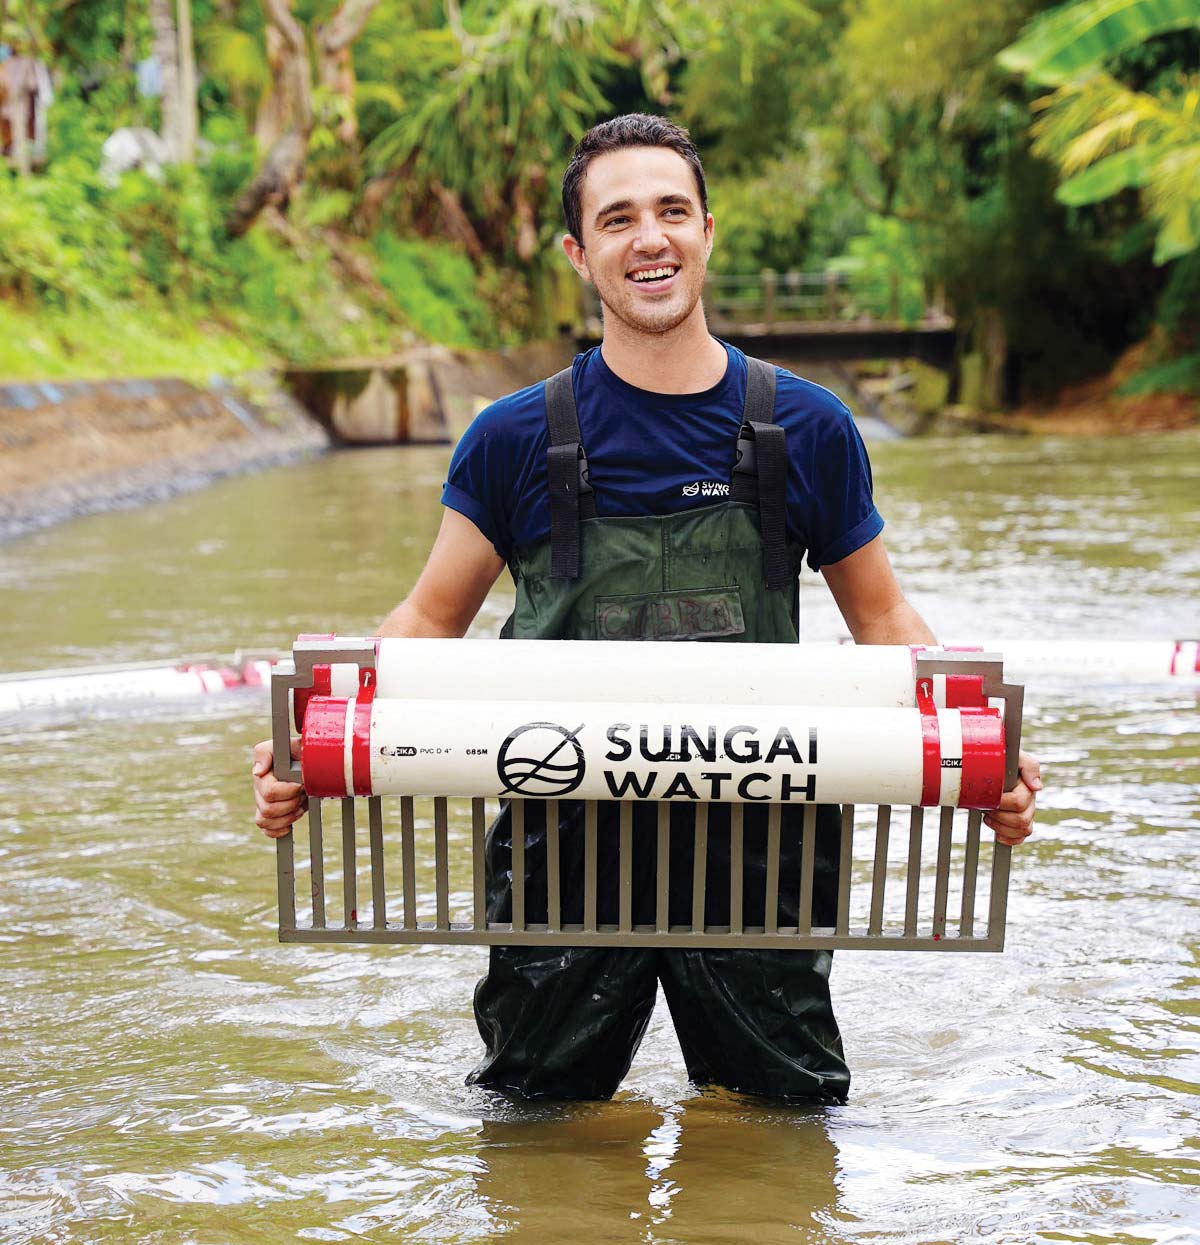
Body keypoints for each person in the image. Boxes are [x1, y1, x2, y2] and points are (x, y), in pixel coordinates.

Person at [254, 113, 1041, 1104]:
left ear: (709, 229)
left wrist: (982, 752)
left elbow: (882, 623)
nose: (651, 237)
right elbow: (426, 622)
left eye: (672, 210)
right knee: (534, 1130)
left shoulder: (808, 428)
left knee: (782, 1134)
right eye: (618, 219)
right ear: (581, 256)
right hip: (563, 851)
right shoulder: (511, 439)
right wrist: (312, 740)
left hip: (761, 848)